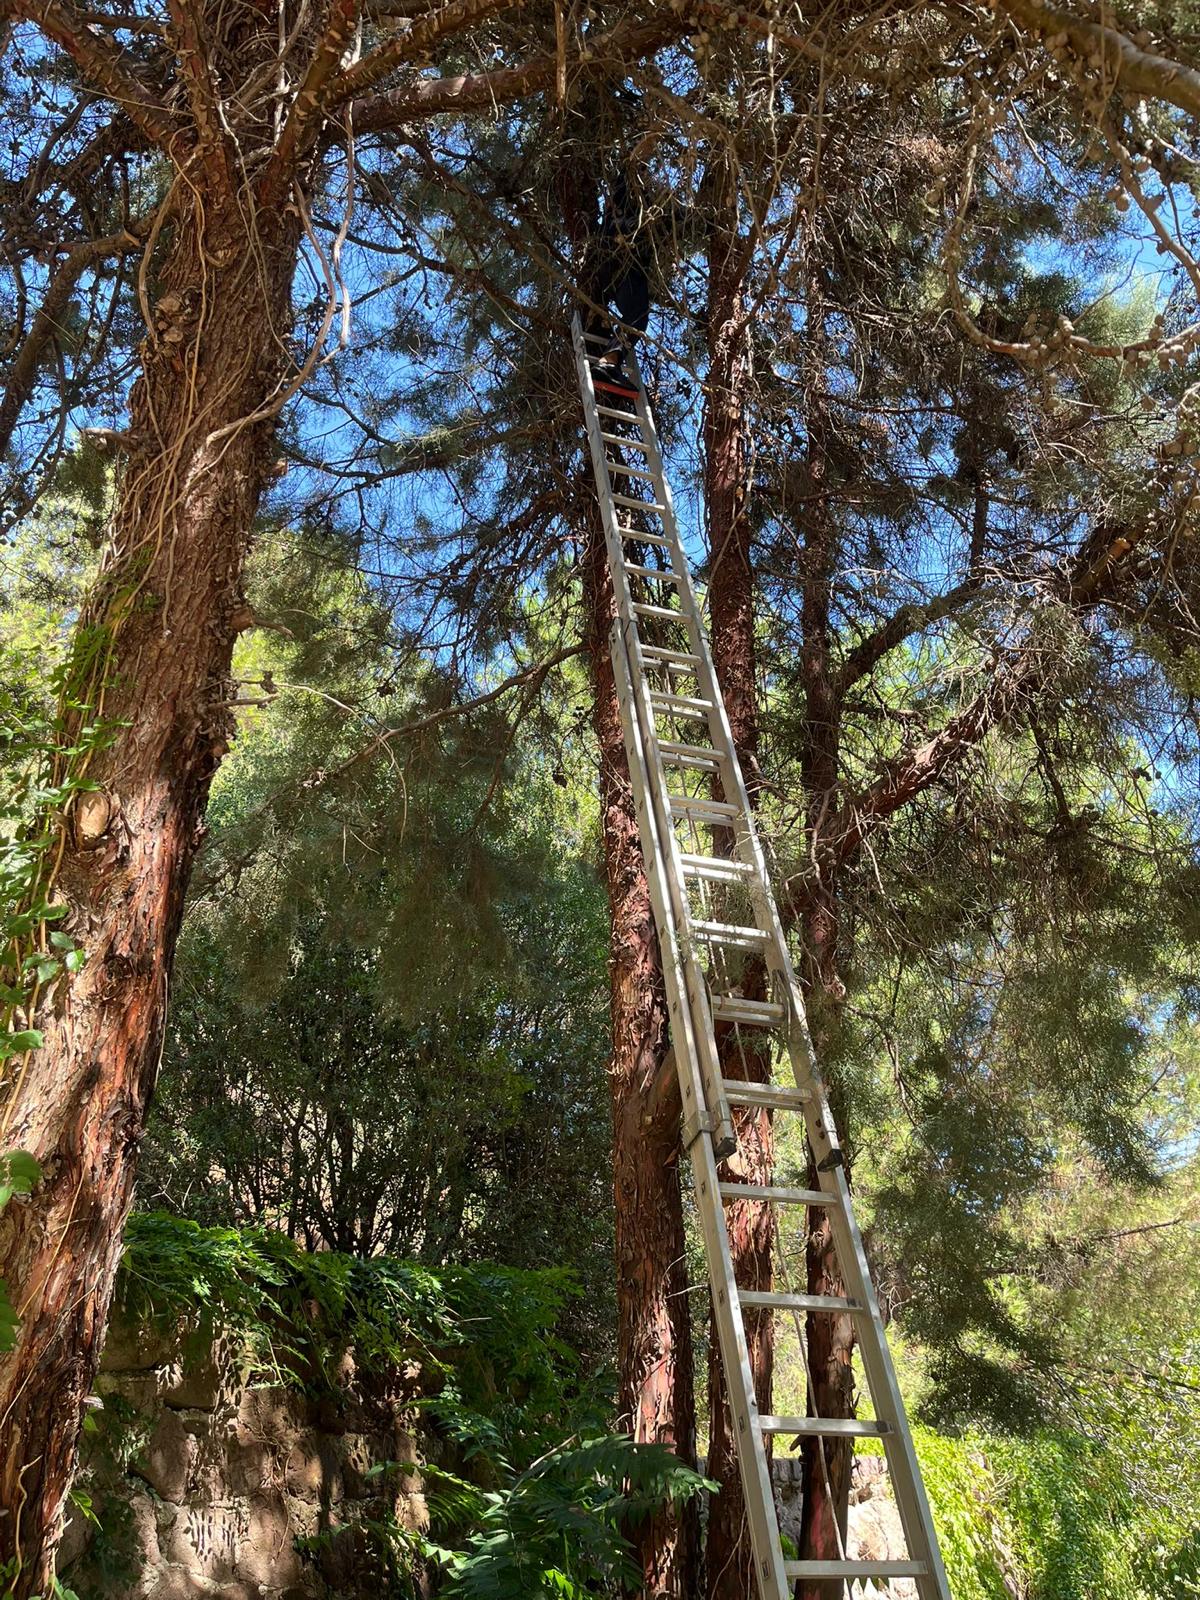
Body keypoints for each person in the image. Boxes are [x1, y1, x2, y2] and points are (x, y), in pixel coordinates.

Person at [590, 171, 650, 386]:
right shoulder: (630, 206)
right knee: (637, 315)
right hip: (624, 262)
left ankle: (609, 357)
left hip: (610, 270)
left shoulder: (616, 211)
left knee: (636, 314)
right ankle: (608, 361)